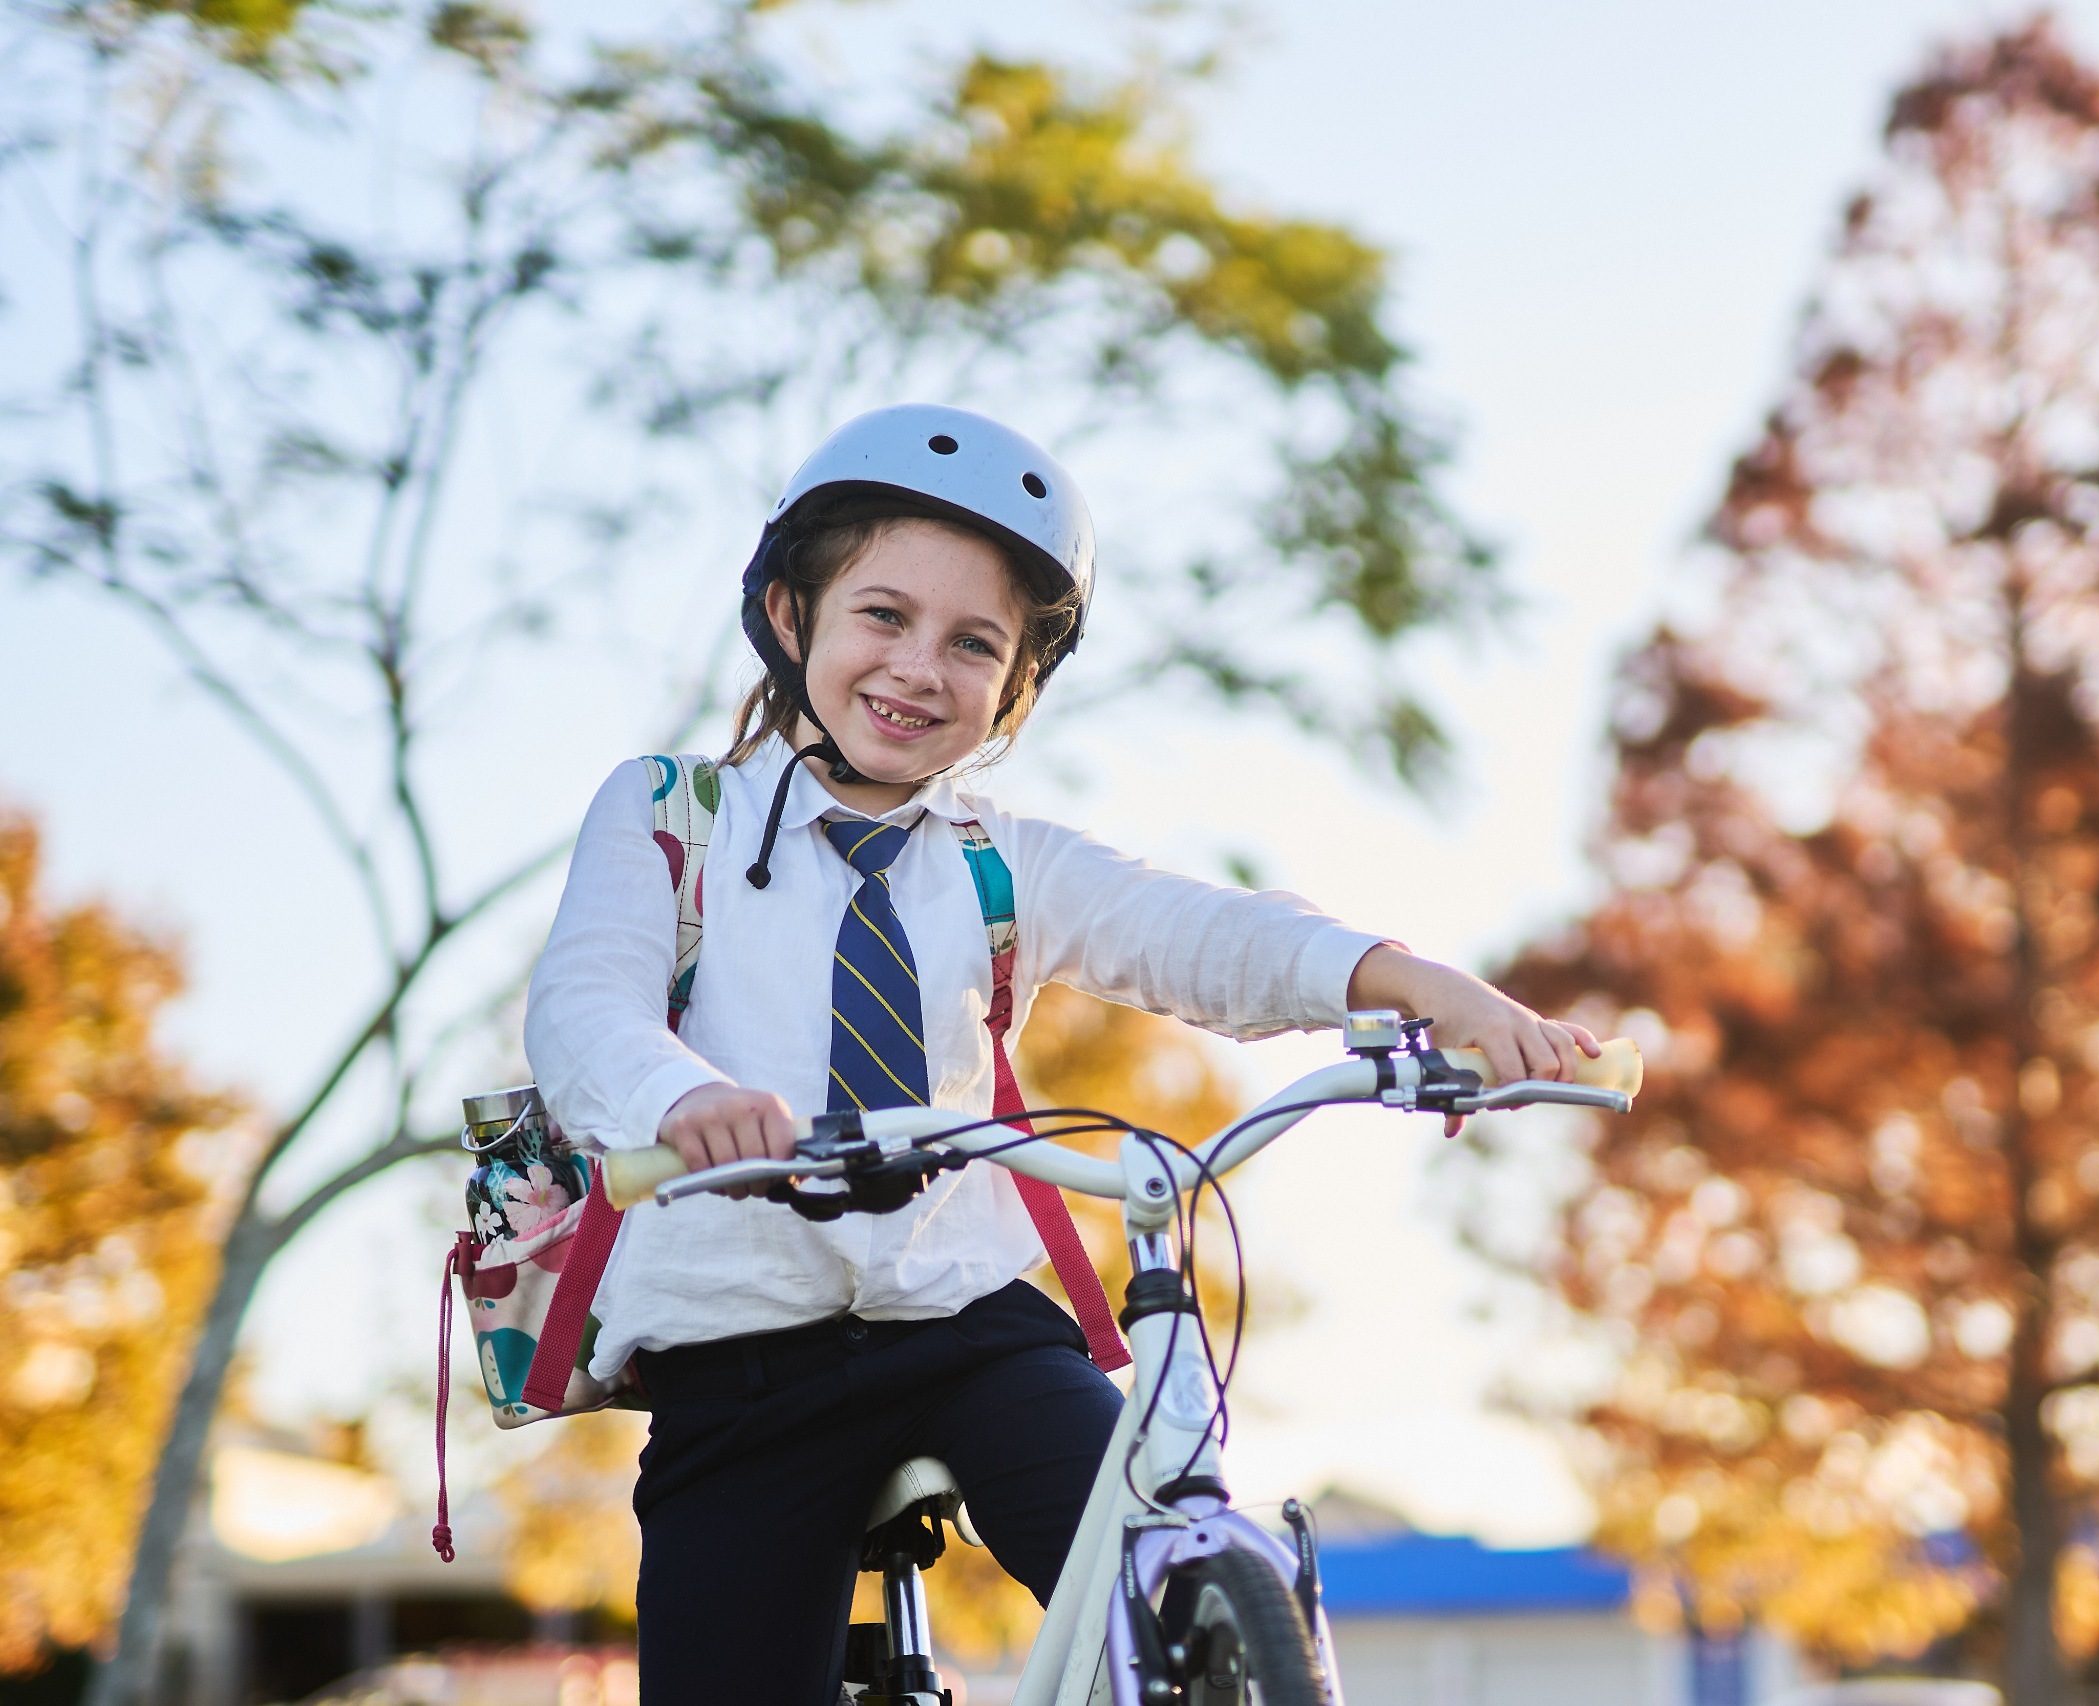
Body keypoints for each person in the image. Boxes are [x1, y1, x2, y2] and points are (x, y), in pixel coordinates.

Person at [523, 404, 1595, 1704]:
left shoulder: (996, 861)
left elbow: (1199, 932)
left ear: (1013, 690)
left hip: (970, 1327)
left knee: (1150, 1542)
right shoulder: (666, 814)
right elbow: (586, 1005)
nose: (920, 666)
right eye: (883, 616)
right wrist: (680, 1097)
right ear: (792, 614)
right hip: (744, 1361)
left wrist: (1418, 984)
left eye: (973, 644)